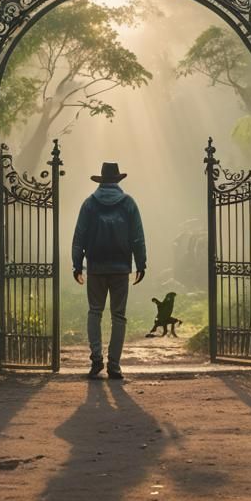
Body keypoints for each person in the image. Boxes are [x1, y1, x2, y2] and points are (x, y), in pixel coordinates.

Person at [72, 161, 146, 380]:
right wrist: (141, 264)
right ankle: (114, 365)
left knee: (95, 312)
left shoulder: (89, 204)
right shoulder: (128, 203)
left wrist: (77, 264)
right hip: (121, 268)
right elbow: (137, 237)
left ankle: (96, 359)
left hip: (95, 267)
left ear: (101, 180)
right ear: (118, 180)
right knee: (118, 316)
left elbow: (79, 237)